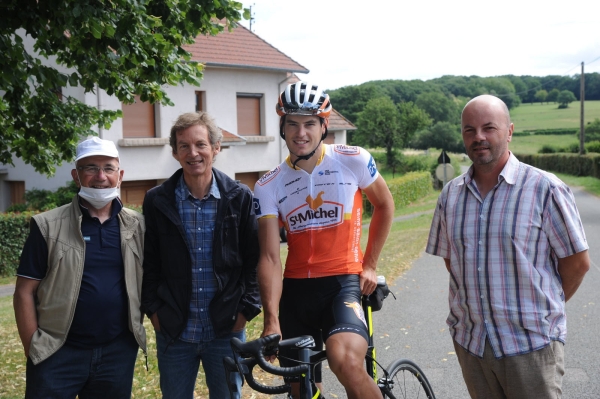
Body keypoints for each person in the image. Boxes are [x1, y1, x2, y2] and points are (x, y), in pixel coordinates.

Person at [426, 94, 590, 398]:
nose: (479, 137)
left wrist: (538, 309)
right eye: (469, 130)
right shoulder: (450, 196)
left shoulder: (545, 188)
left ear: (510, 131)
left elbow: (577, 263)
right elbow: (452, 260)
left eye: (489, 128)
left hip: (531, 346)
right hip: (472, 343)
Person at [253, 81, 395, 399]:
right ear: (282, 127)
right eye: (292, 124)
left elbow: (385, 205)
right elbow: (270, 258)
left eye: (308, 124)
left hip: (342, 283)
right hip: (296, 292)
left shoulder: (352, 159)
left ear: (323, 126)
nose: (300, 133)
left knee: (343, 359)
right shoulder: (268, 184)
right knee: (301, 391)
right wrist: (271, 319)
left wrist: (369, 264)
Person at [13, 137, 146, 398]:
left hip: (116, 354)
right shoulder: (47, 225)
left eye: (108, 168)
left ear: (120, 175)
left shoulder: (138, 226)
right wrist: (34, 347)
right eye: (90, 168)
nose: (100, 176)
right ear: (77, 176)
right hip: (58, 353)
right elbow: (23, 292)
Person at [140, 111, 260, 399]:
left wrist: (245, 312)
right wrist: (155, 312)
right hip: (174, 331)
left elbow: (253, 262)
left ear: (216, 148)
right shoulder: (157, 200)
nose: (193, 153)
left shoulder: (240, 197)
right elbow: (149, 263)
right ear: (175, 152)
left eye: (200, 144)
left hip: (226, 328)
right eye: (184, 146)